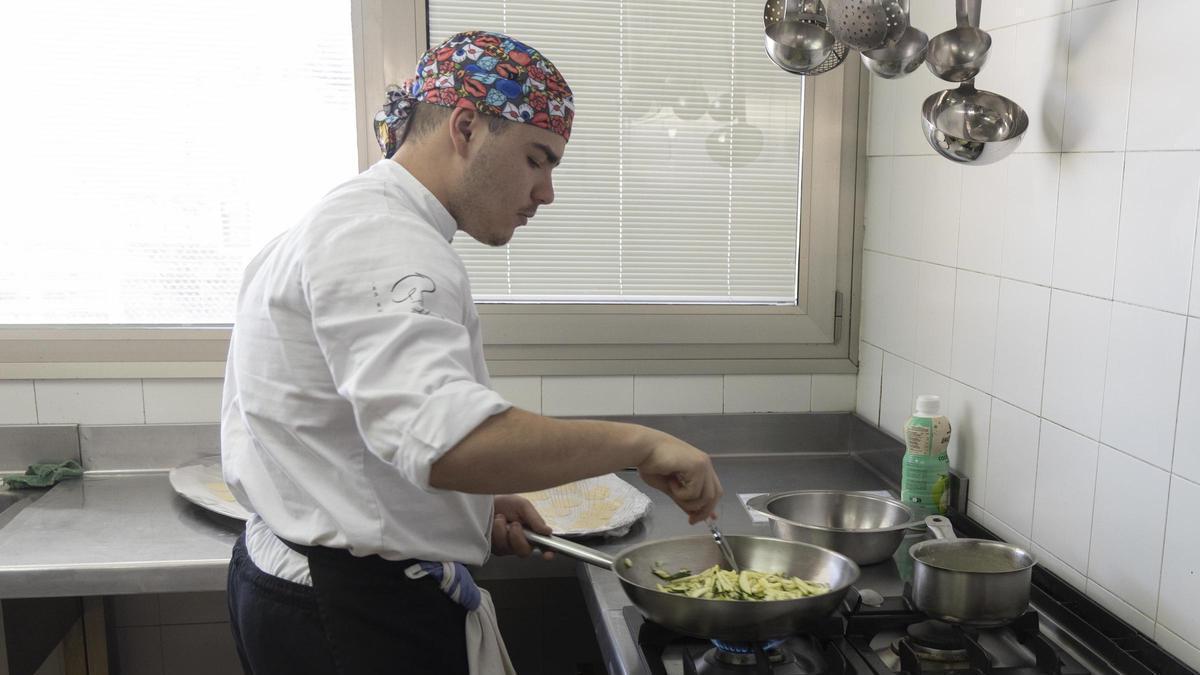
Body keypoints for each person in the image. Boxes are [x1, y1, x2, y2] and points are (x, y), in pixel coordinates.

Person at [221, 30, 724, 675]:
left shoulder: (341, 221)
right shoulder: (385, 240)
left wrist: (463, 511)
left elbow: (349, 428)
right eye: (538, 159)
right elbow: (450, 443)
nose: (547, 193)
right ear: (466, 128)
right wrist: (643, 445)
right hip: (355, 614)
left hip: (308, 583)